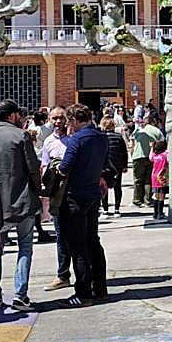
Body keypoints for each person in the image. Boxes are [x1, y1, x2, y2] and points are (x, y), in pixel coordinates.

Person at [0, 99, 41, 312]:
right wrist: (39, 191)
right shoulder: (20, 135)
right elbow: (32, 168)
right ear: (12, 116)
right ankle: (20, 295)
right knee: (25, 246)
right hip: (20, 199)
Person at [59, 105, 109, 306]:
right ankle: (100, 287)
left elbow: (64, 168)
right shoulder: (101, 137)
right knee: (93, 241)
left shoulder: (77, 140)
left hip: (75, 195)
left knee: (78, 246)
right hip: (93, 193)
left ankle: (83, 292)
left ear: (74, 120)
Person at [41, 106, 75, 292]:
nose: (58, 122)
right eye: (54, 118)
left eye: (61, 118)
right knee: (61, 235)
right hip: (57, 194)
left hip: (74, 192)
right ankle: (63, 275)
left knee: (79, 234)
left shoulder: (73, 139)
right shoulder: (48, 142)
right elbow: (45, 165)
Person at [130, 115, 164, 208]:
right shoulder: (157, 131)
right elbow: (162, 142)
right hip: (151, 157)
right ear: (153, 122)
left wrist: (131, 155)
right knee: (148, 179)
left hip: (138, 157)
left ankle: (137, 200)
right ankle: (147, 200)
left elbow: (132, 144)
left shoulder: (138, 131)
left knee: (138, 179)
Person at [99, 116, 128, 217]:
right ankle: (117, 209)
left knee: (104, 187)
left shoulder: (101, 138)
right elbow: (124, 152)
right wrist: (125, 165)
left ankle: (105, 209)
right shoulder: (118, 137)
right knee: (117, 187)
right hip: (117, 166)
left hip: (104, 166)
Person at [150, 139, 169, 220]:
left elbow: (150, 157)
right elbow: (169, 160)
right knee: (162, 196)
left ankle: (155, 213)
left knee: (156, 195)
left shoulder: (154, 156)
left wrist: (151, 148)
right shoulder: (165, 155)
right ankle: (160, 213)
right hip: (161, 176)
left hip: (154, 176)